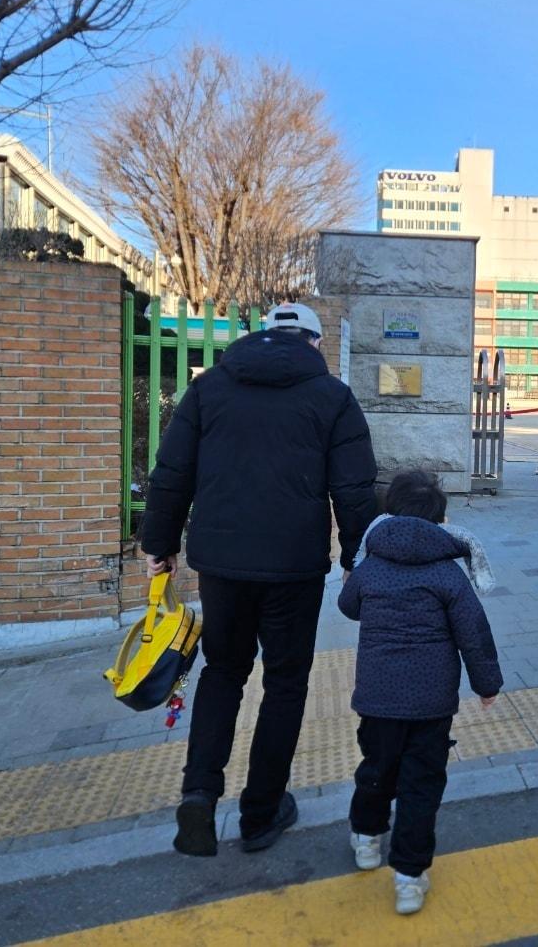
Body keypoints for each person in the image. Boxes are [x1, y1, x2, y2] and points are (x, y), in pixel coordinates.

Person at [140, 301, 378, 858]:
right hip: (294, 564)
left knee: (223, 672)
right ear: (314, 343)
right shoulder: (332, 397)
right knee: (286, 682)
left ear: (261, 336)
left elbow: (172, 472)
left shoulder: (209, 389)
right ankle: (261, 812)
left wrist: (159, 544)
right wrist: (357, 557)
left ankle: (199, 793)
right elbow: (353, 489)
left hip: (221, 562)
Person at [338, 470, 502, 916]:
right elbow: (474, 633)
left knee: (376, 768)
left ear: (388, 514)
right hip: (432, 704)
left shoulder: (372, 566)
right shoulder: (448, 573)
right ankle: (409, 878)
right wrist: (487, 685)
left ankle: (366, 838)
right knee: (421, 784)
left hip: (377, 699)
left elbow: (347, 606)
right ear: (441, 521)